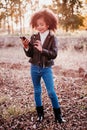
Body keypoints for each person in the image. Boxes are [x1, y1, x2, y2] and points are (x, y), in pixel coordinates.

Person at [21, 9, 65, 123]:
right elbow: (30, 54)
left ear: (48, 24)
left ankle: (58, 116)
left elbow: (54, 54)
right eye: (37, 24)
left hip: (46, 69)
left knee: (51, 92)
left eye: (41, 24)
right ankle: (40, 115)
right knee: (37, 91)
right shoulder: (34, 37)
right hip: (34, 68)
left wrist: (42, 50)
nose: (39, 27)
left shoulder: (52, 38)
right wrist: (26, 47)